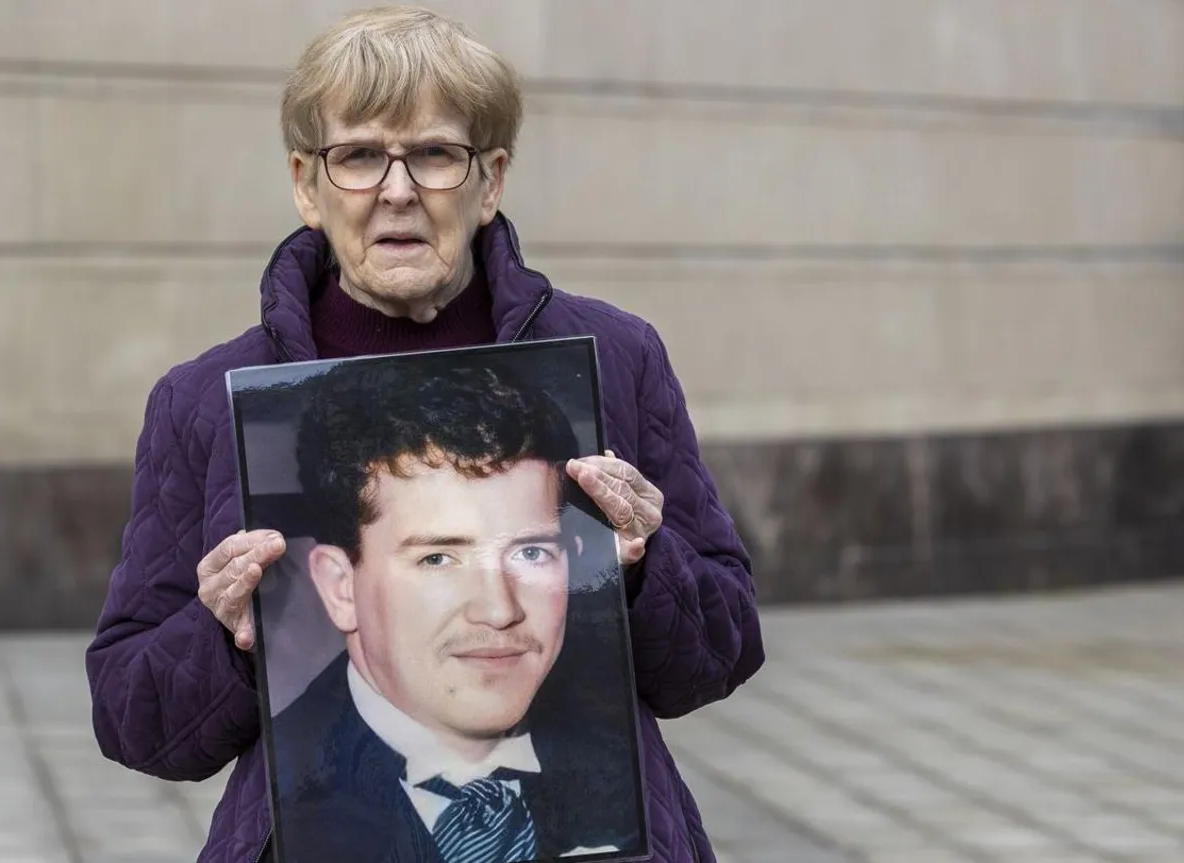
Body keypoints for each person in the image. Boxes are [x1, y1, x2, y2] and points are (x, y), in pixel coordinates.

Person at [85, 7, 765, 863]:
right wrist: (221, 637)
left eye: (437, 154)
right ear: (307, 183)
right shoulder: (205, 401)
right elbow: (131, 718)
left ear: (491, 182)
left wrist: (643, 567)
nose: (398, 189)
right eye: (360, 155)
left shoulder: (615, 359)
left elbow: (723, 649)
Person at [268, 356, 644, 861]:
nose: (498, 610)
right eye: (439, 558)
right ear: (340, 588)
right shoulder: (279, 807)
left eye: (531, 552)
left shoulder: (628, 768)